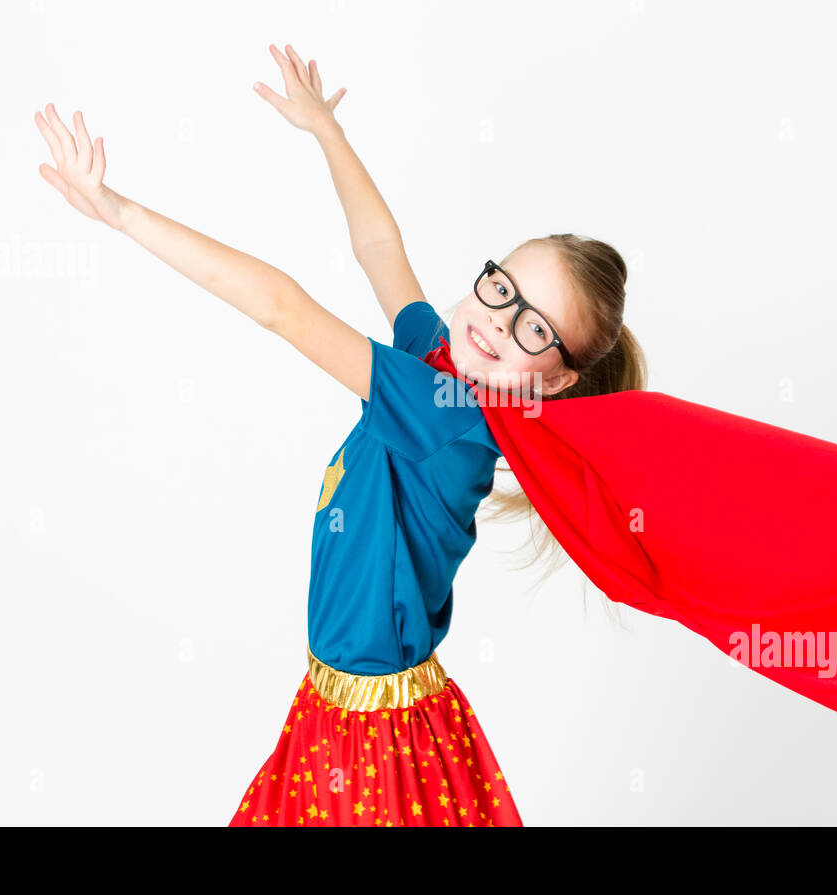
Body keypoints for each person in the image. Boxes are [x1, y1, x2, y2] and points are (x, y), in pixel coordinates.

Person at [34, 44, 644, 826]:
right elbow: (382, 250)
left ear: (557, 379)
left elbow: (282, 309)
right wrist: (327, 131)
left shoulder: (449, 416)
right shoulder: (438, 360)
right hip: (340, 704)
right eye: (502, 287)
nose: (497, 320)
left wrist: (121, 213)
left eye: (534, 328)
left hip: (375, 738)